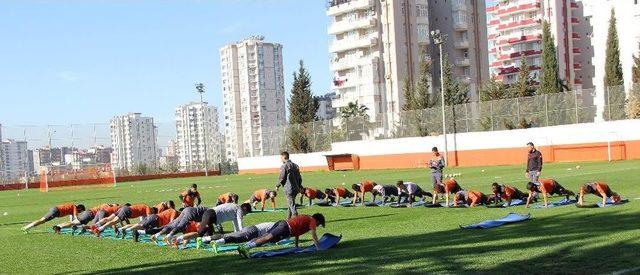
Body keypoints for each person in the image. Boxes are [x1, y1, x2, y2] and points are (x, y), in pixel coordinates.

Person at [237, 213, 326, 258]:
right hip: (286, 228)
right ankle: (247, 247)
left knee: (265, 237)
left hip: (283, 223)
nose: (317, 226)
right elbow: (314, 235)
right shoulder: (312, 221)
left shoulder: (306, 218)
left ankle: (245, 246)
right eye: (319, 224)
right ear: (318, 220)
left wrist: (296, 245)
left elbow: (297, 231)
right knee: (267, 238)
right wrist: (318, 248)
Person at [170, 203, 252, 247]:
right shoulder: (239, 210)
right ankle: (178, 238)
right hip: (211, 215)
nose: (245, 215)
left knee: (209, 238)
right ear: (244, 209)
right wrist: (244, 234)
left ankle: (188, 241)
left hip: (211, 215)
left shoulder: (236, 208)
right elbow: (240, 223)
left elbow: (237, 226)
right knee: (199, 233)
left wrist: (238, 234)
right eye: (246, 213)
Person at [197, 222, 275, 251]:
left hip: (251, 229)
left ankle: (204, 239)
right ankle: (217, 242)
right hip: (253, 231)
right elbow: (270, 236)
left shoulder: (274, 224)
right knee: (236, 239)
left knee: (228, 235)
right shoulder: (276, 226)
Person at [276, 151, 302, 219]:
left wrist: (277, 185)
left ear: (284, 157)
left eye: (281, 158)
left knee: (291, 204)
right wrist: (299, 186)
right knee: (290, 204)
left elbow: (282, 178)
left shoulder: (284, 166)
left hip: (289, 188)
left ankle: (296, 219)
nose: (280, 159)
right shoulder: (295, 165)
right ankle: (288, 219)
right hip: (296, 188)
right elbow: (299, 178)